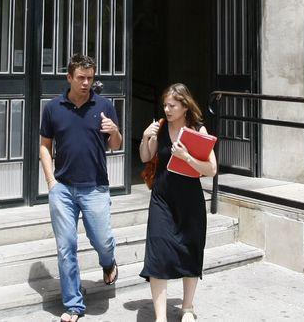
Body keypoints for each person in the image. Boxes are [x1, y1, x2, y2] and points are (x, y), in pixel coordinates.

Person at [39, 54, 123, 322]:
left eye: (90, 78)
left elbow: (116, 145)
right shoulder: (53, 108)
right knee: (66, 247)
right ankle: (74, 305)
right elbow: (45, 145)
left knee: (103, 241)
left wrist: (114, 131)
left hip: (95, 187)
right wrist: (51, 182)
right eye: (81, 78)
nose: (86, 83)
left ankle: (108, 262)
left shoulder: (104, 105)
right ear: (69, 78)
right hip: (62, 188)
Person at [139, 84, 217, 322]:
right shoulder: (161, 127)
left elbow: (212, 169)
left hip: (190, 201)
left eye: (172, 105)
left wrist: (187, 157)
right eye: (165, 105)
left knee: (190, 251)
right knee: (157, 253)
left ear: (185, 106)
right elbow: (145, 156)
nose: (167, 109)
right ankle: (160, 317)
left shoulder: (197, 130)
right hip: (162, 199)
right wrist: (145, 137)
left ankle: (187, 308)